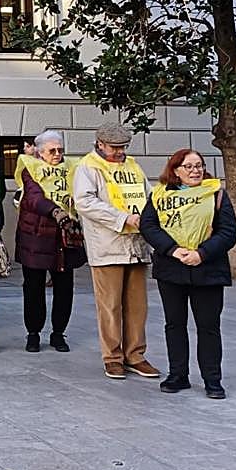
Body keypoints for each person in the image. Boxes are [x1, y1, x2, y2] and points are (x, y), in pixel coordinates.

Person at [140, 149, 236, 399]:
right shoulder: (160, 195)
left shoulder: (216, 194)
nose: (196, 171)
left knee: (208, 327)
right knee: (174, 324)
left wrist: (202, 253)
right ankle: (178, 374)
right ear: (175, 170)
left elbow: (228, 232)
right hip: (172, 269)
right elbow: (148, 225)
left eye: (199, 166)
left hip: (208, 270)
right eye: (189, 166)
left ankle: (212, 380)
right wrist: (173, 250)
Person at [73, 122, 159, 381]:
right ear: (100, 144)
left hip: (136, 245)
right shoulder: (87, 167)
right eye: (115, 147)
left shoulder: (132, 166)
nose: (120, 152)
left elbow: (148, 194)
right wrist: (122, 218)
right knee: (109, 306)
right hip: (108, 246)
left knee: (137, 306)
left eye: (123, 147)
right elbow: (85, 202)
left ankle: (135, 355)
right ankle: (112, 357)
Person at [16, 131, 86, 353]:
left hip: (66, 238)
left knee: (65, 288)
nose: (57, 154)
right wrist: (55, 211)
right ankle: (33, 333)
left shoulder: (72, 169)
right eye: (52, 151)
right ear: (39, 152)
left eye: (60, 150)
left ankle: (58, 333)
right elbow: (34, 197)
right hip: (36, 237)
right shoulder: (31, 168)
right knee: (33, 288)